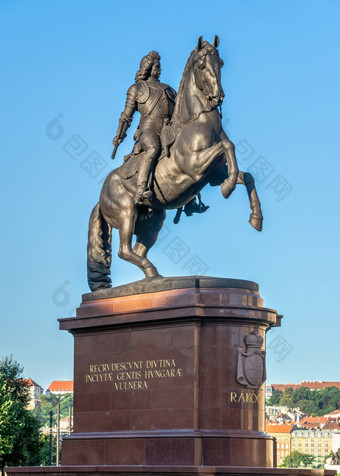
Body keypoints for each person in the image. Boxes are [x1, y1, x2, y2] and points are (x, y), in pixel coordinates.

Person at [112, 51, 176, 205]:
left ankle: (191, 199)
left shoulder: (169, 89)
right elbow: (126, 117)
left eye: (160, 67)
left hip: (168, 128)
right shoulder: (135, 89)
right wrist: (119, 134)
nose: (160, 70)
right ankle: (141, 189)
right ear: (148, 67)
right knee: (153, 149)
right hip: (148, 130)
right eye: (157, 67)